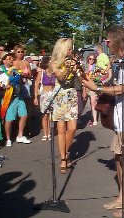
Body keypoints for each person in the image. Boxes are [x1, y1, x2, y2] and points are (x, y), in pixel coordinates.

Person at [82, 26, 124, 218]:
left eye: (108, 41)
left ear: (116, 41)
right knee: (118, 158)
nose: (106, 44)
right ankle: (123, 197)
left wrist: (97, 89)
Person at [50, 38, 78, 174]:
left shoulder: (72, 62)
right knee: (61, 128)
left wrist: (77, 67)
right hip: (60, 95)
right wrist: (67, 67)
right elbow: (61, 78)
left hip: (71, 94)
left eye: (71, 48)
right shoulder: (54, 62)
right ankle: (63, 158)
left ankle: (66, 152)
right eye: (68, 48)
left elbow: (80, 77)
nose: (70, 50)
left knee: (72, 128)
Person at [0, 52, 31, 147]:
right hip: (8, 97)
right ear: (4, 60)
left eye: (12, 58)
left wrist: (23, 76)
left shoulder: (16, 70)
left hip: (18, 95)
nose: (11, 59)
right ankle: (8, 138)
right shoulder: (0, 70)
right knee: (9, 119)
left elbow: (21, 81)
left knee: (24, 115)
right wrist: (4, 86)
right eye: (9, 58)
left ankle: (20, 135)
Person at [33, 56, 55, 141]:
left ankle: (50, 132)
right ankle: (45, 133)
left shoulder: (54, 72)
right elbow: (36, 84)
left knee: (51, 115)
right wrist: (35, 97)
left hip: (53, 95)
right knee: (44, 115)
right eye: (49, 61)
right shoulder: (41, 72)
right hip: (44, 95)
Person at [83, 53, 98, 126]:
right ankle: (78, 118)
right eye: (90, 59)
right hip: (84, 87)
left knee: (93, 103)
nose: (91, 60)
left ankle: (94, 119)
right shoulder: (84, 66)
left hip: (92, 87)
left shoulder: (96, 67)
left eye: (93, 59)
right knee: (83, 103)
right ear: (88, 59)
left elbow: (101, 75)